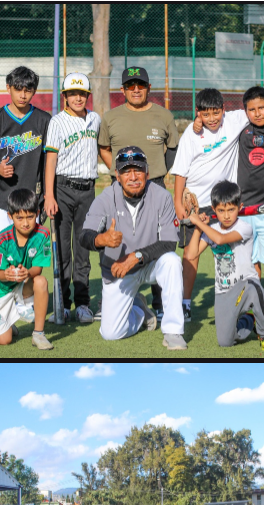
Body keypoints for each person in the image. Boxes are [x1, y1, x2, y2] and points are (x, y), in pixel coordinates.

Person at [173, 88, 264, 323]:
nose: (212, 118)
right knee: (191, 255)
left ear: (224, 110)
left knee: (234, 254)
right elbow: (181, 172)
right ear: (198, 113)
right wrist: (177, 201)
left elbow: (262, 110)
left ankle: (242, 302)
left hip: (225, 204)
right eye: (205, 114)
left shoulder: (235, 119)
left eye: (216, 113)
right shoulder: (191, 134)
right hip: (197, 204)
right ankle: (185, 303)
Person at [79, 146, 186, 349]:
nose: (133, 177)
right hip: (117, 270)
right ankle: (140, 311)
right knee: (111, 334)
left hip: (149, 265)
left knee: (172, 261)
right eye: (126, 171)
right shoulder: (105, 198)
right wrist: (101, 239)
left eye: (138, 170)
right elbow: (84, 236)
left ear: (147, 173)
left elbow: (170, 242)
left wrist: (136, 256)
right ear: (117, 176)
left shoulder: (161, 196)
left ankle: (173, 332)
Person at [97, 66, 181, 318]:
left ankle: (161, 303)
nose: (136, 89)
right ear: (122, 89)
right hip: (121, 189)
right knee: (115, 241)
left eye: (140, 85)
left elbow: (173, 148)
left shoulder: (164, 115)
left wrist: (161, 170)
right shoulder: (110, 117)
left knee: (160, 244)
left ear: (148, 88)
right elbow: (103, 147)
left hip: (155, 185)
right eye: (130, 86)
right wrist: (117, 173)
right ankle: (114, 296)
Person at [185, 180, 264, 353]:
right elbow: (191, 255)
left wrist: (199, 223)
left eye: (231, 210)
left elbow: (221, 239)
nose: (227, 216)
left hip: (246, 284)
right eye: (221, 211)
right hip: (223, 291)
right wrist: (199, 228)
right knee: (225, 342)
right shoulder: (211, 229)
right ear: (214, 209)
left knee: (254, 287)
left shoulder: (245, 228)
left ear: (240, 207)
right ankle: (249, 320)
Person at [43, 72, 101, 323]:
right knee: (63, 250)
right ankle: (63, 304)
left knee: (83, 249)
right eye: (73, 94)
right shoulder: (57, 122)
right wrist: (49, 195)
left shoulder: (95, 119)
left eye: (82, 94)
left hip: (88, 190)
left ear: (88, 96)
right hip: (62, 189)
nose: (78, 98)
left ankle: (83, 304)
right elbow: (51, 160)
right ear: (65, 96)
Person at [0, 66, 52, 253]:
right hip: (1, 199)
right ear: (8, 87)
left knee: (29, 254)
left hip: (31, 200)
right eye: (18, 89)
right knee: (1, 252)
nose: (23, 95)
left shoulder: (44, 120)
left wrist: (46, 195)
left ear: (34, 91)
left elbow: (48, 161)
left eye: (28, 90)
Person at [0, 188, 54, 350]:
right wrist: (7, 274)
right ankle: (8, 322)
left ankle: (38, 334)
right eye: (19, 218)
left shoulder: (43, 234)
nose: (25, 223)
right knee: (5, 340)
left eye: (30, 217)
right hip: (0, 289)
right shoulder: (2, 239)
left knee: (41, 282)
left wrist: (27, 273)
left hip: (23, 283)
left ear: (37, 213)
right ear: (10, 216)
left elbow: (38, 269)